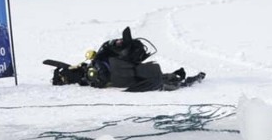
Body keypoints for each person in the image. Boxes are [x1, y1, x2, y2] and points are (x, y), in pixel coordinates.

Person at [45, 26, 205, 92]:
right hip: (113, 74)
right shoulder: (105, 57)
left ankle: (178, 80)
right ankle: (176, 81)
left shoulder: (112, 56)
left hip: (118, 74)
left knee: (158, 78)